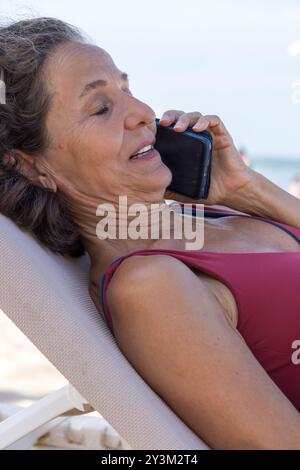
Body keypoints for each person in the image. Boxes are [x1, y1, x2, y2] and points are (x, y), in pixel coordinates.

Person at [0, 17, 300, 450]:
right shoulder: (150, 286)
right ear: (30, 164)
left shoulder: (207, 216)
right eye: (101, 108)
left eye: (126, 89)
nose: (141, 113)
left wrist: (248, 189)